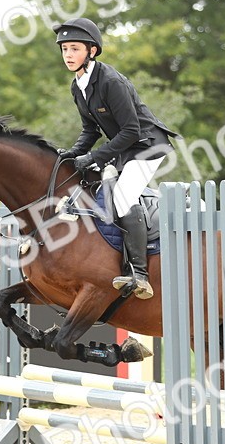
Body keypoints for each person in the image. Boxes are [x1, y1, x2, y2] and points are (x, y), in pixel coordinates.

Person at [53, 17, 179, 299]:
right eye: (64, 49)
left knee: (122, 197)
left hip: (147, 146)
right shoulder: (78, 86)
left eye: (75, 48)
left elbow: (132, 130)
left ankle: (140, 273)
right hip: (125, 148)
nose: (68, 55)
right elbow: (90, 129)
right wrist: (73, 153)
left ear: (92, 51)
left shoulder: (110, 81)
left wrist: (95, 156)